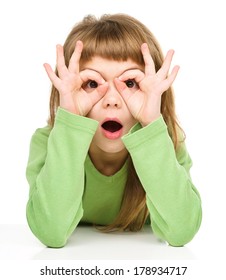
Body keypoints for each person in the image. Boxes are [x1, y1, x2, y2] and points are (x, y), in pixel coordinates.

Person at [26, 13, 202, 248]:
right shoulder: (48, 142)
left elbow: (182, 231)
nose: (111, 100)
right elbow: (51, 232)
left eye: (130, 83)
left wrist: (151, 126)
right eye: (91, 83)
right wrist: (69, 123)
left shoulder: (165, 141)